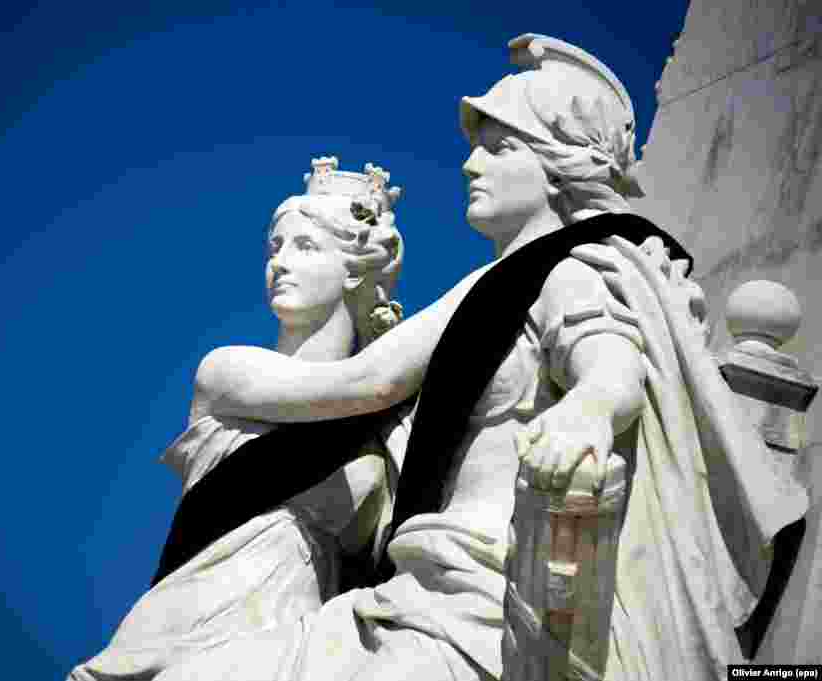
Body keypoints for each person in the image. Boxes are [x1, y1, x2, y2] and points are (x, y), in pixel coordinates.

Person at [151, 34, 807, 681]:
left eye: (499, 147)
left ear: (558, 163)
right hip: (412, 597)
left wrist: (587, 412)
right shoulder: (490, 303)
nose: (470, 165)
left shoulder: (578, 269)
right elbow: (374, 385)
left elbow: (613, 370)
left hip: (488, 609)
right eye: (474, 148)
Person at [67, 158, 412, 681]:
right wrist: (510, 274)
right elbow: (370, 383)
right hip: (202, 612)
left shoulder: (388, 431)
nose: (280, 262)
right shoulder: (227, 373)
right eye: (275, 247)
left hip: (307, 637)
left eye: (305, 246)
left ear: (354, 269)